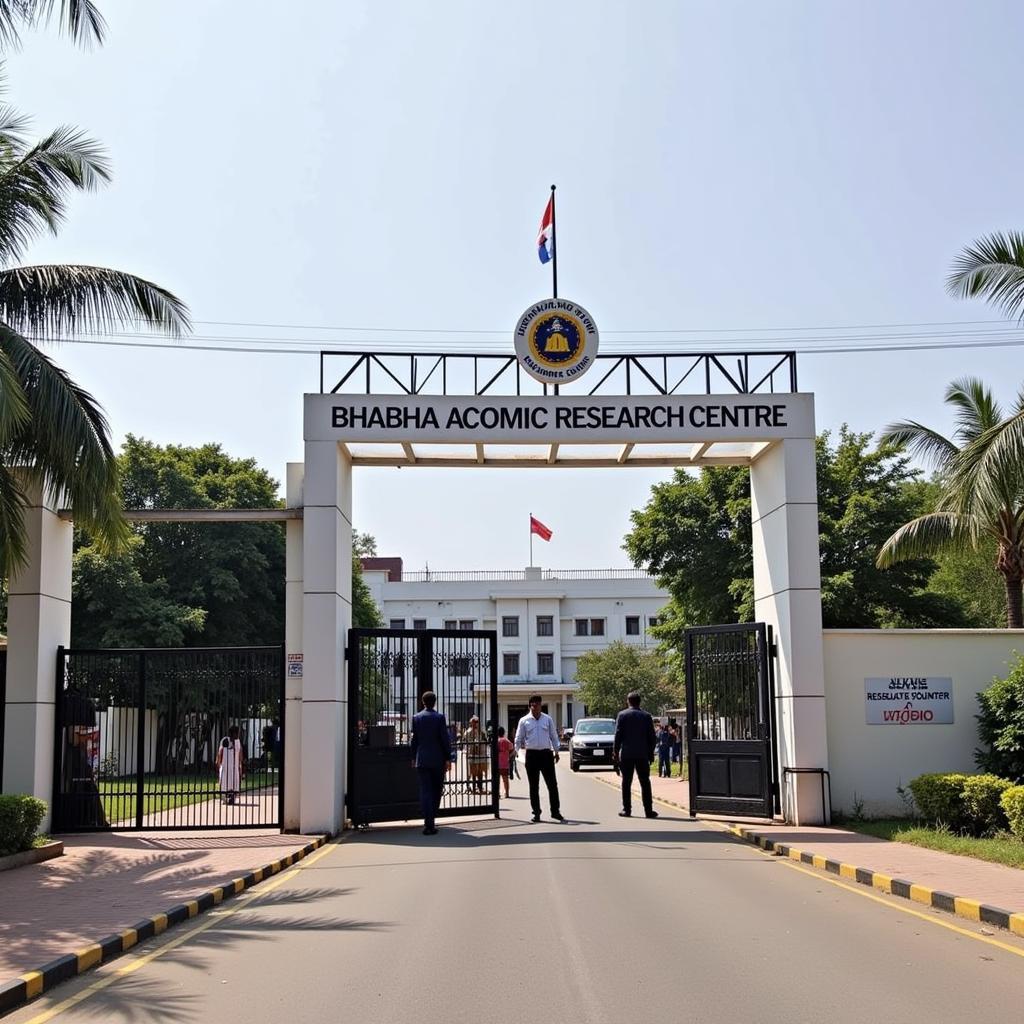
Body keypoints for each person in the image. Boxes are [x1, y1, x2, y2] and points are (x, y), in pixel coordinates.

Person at [514, 694, 565, 823]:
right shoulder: (524, 721)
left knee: (552, 785)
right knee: (534, 786)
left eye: (539, 705)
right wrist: (515, 751)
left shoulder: (547, 719)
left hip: (546, 755)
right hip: (531, 755)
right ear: (530, 706)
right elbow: (519, 738)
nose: (537, 708)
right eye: (534, 705)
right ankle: (536, 813)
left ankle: (555, 812)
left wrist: (557, 751)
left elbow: (553, 736)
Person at [410, 690, 452, 835]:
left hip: (422, 759)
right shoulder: (439, 718)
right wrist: (448, 757)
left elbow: (414, 740)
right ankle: (431, 819)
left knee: (425, 791)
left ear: (423, 702)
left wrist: (413, 757)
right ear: (435, 702)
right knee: (436, 790)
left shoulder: (416, 718)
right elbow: (444, 739)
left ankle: (428, 823)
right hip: (437, 760)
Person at [613, 692, 658, 819]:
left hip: (627, 754)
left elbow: (618, 736)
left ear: (628, 701)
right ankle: (648, 811)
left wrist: (615, 753)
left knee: (626, 782)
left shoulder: (622, 715)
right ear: (640, 702)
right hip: (642, 754)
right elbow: (652, 738)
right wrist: (650, 753)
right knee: (645, 782)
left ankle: (627, 809)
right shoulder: (646, 716)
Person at [216, 724, 244, 806]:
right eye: (237, 733)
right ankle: (226, 797)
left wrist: (240, 765)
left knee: (233, 783)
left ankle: (231, 796)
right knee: (225, 783)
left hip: (234, 767)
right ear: (233, 733)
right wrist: (219, 764)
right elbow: (220, 752)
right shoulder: (225, 740)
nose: (238, 735)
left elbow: (240, 755)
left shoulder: (237, 742)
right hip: (226, 767)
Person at [463, 715, 489, 794]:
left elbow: (486, 740)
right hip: (472, 754)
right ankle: (473, 788)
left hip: (481, 754)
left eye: (476, 722)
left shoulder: (482, 731)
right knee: (473, 772)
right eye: (473, 722)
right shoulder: (468, 732)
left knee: (480, 772)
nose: (475, 724)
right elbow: (464, 742)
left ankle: (480, 787)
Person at [496, 726, 514, 798]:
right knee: (505, 779)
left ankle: (497, 793)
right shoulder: (507, 741)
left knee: (497, 780)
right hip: (505, 763)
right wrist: (509, 756)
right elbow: (512, 748)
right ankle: (507, 793)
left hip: (497, 763)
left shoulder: (497, 741)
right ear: (504, 733)